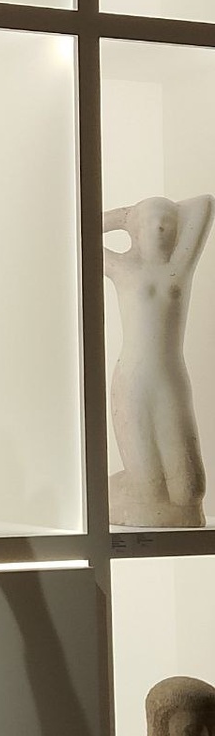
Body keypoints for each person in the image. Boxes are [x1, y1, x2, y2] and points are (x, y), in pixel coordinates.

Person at [104, 194, 214, 527]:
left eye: (167, 221)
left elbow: (204, 205)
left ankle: (129, 495)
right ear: (136, 232)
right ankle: (108, 494)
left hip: (171, 381)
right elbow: (79, 232)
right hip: (132, 383)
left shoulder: (179, 267)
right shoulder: (123, 267)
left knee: (190, 492)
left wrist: (142, 214)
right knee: (149, 488)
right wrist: (126, 216)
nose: (161, 228)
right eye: (151, 222)